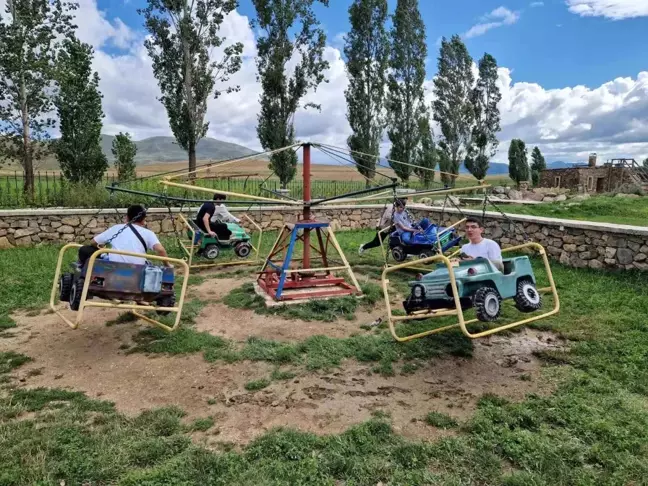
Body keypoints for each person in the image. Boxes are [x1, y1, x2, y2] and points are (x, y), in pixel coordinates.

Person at [77, 204, 171, 267]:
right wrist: (167, 265)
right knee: (149, 263)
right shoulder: (149, 233)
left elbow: (93, 242)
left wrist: (102, 247)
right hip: (138, 267)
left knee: (85, 250)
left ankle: (87, 275)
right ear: (143, 220)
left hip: (114, 266)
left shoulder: (117, 228)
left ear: (127, 217)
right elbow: (160, 250)